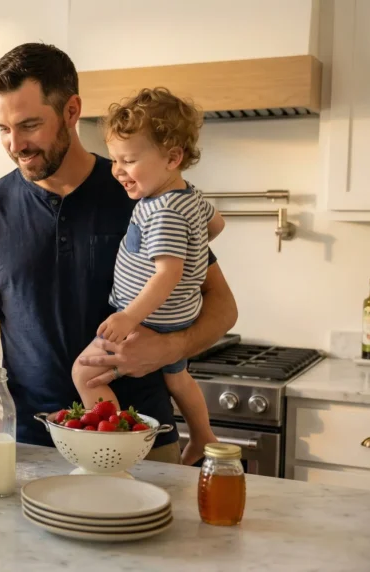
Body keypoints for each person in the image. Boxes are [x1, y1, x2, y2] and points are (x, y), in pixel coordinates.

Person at [0, 43, 238, 463]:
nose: (15, 144)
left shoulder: (144, 193)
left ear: (71, 111)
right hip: (30, 442)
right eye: (3, 128)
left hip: (143, 441)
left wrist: (171, 348)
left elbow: (223, 307)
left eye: (29, 125)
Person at [72, 87, 222, 464]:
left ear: (173, 158)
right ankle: (203, 434)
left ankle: (117, 442)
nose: (118, 170)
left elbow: (167, 275)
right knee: (177, 377)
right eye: (115, 159)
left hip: (151, 320)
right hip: (177, 317)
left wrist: (129, 317)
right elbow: (217, 224)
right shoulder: (190, 196)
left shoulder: (163, 211)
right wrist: (193, 248)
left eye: (130, 160)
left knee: (86, 374)